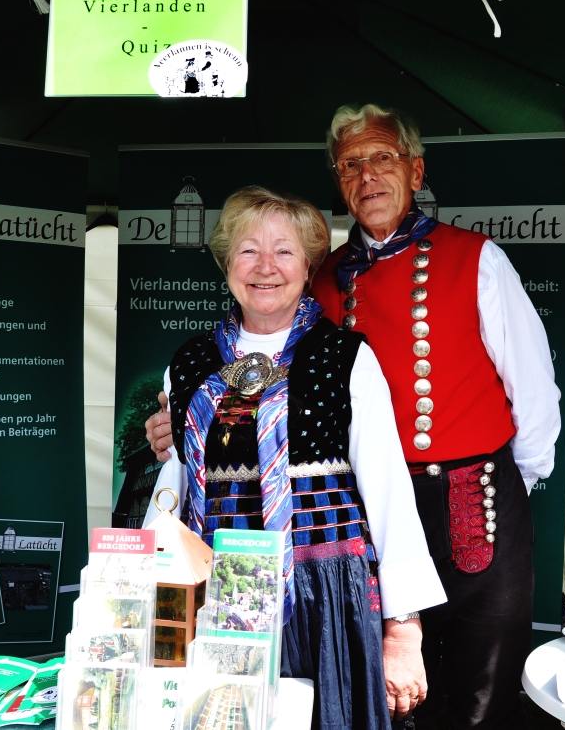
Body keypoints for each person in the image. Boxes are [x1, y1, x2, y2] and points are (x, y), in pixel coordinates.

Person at [146, 104, 561, 729]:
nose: (367, 176)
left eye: (382, 159)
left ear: (416, 170)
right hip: (357, 512)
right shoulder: (317, 277)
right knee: (386, 701)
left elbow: (532, 389)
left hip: (473, 499)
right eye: (350, 165)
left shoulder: (477, 259)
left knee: (480, 689)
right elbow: (262, 388)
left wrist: (511, 485)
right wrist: (178, 430)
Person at [142, 186, 446, 730]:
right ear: (226, 263)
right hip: (214, 590)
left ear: (308, 267)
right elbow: (175, 491)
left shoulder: (346, 357)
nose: (265, 266)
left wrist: (403, 630)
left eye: (283, 251)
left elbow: (388, 492)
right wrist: (150, 594)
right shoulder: (188, 363)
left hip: (320, 596)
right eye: (247, 250)